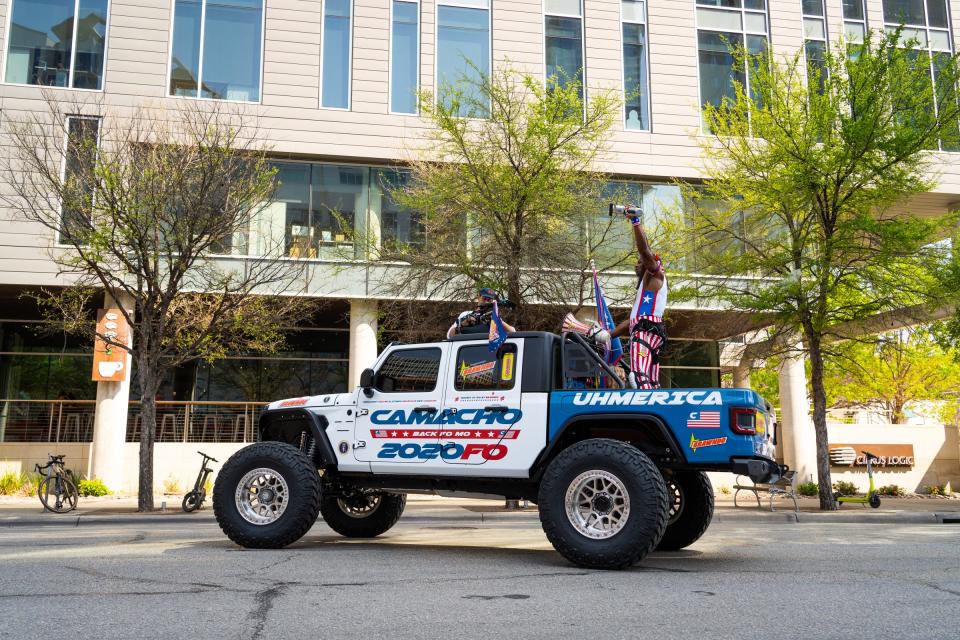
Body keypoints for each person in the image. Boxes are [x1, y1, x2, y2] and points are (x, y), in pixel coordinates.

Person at [599, 206, 668, 389]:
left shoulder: (655, 274)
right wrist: (607, 335)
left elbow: (645, 251)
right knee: (651, 381)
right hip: (650, 330)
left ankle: (645, 414)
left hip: (645, 332)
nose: (636, 266)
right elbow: (632, 322)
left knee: (638, 378)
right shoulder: (646, 288)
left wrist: (636, 222)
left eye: (640, 263)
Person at [446, 288, 517, 338]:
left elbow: (513, 332)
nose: (486, 301)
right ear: (478, 297)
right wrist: (462, 324)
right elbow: (449, 336)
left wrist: (498, 321)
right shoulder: (465, 314)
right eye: (484, 298)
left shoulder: (493, 316)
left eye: (489, 300)